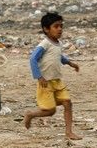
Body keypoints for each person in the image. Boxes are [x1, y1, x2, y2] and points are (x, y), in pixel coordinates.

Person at [23, 12, 82, 140]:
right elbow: (33, 59)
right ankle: (30, 114)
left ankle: (69, 132)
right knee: (50, 111)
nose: (60, 29)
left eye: (61, 26)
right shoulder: (44, 44)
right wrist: (39, 77)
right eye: (56, 26)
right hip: (46, 82)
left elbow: (58, 56)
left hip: (57, 81)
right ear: (46, 29)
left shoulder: (58, 43)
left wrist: (70, 63)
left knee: (67, 103)